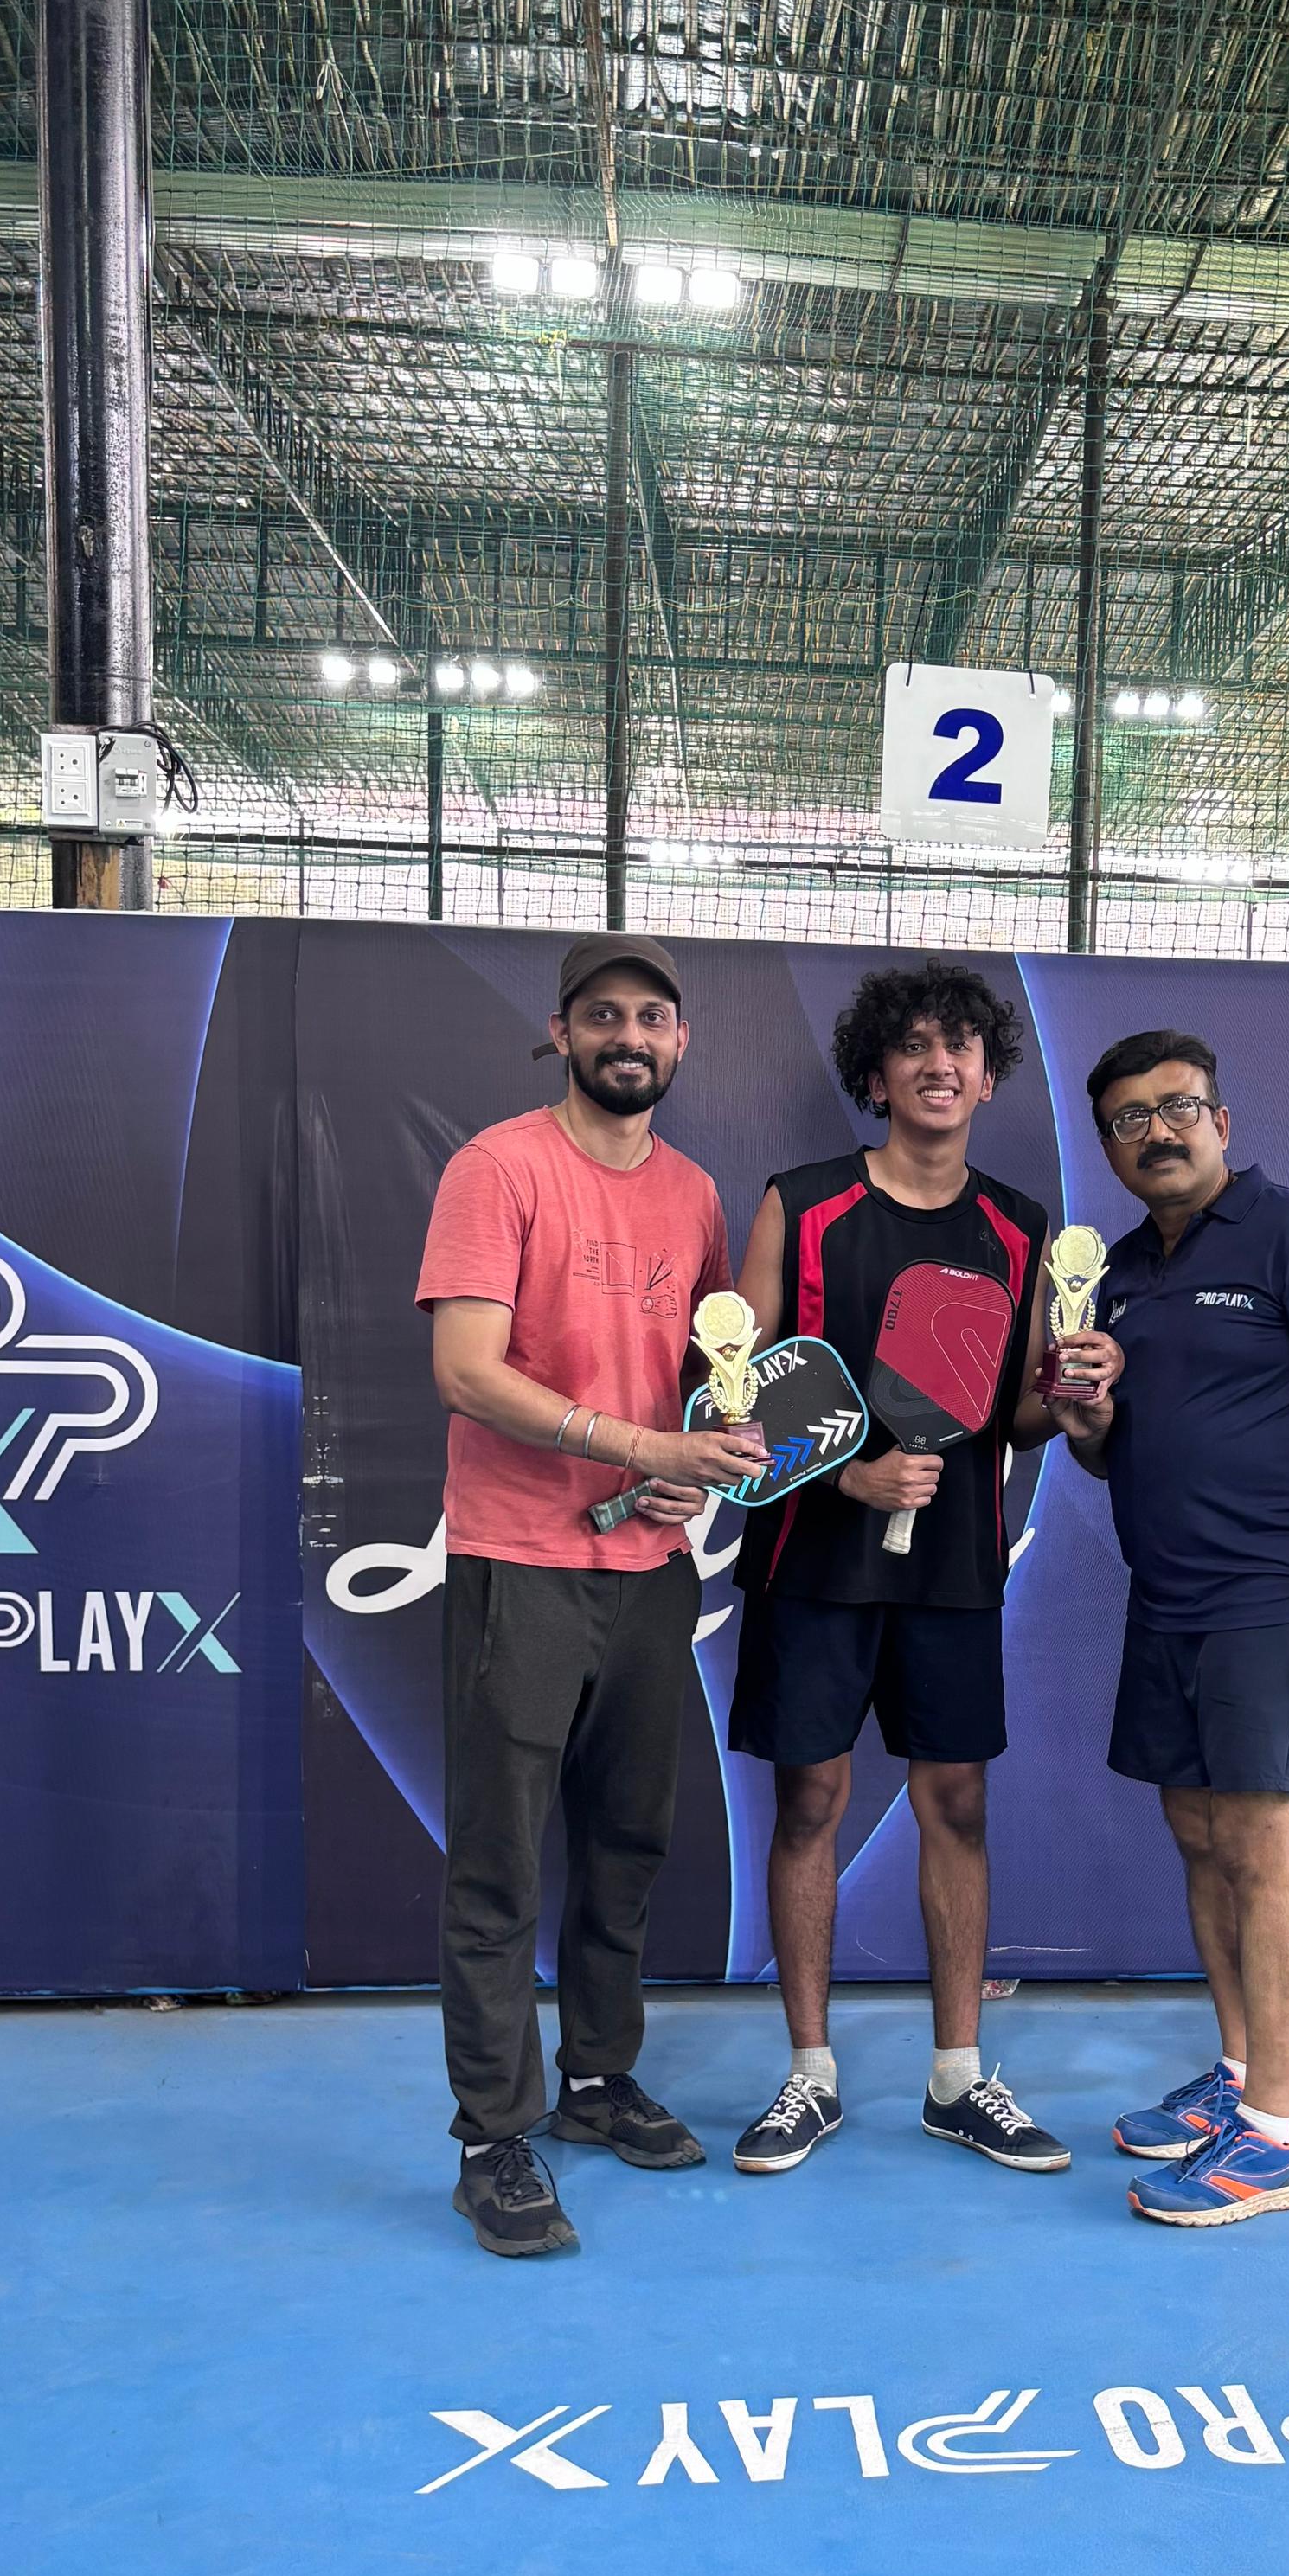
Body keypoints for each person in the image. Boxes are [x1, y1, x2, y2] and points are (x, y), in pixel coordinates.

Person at [418, 932, 765, 2259]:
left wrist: (693, 1472)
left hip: (647, 1576)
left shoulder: (694, 1194)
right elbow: (467, 1371)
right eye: (604, 1014)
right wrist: (640, 1449)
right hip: (520, 1563)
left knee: (627, 1846)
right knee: (500, 1865)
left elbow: (707, 1381)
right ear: (562, 1034)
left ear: (681, 1043)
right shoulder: (497, 1167)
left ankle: (599, 2078)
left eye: (653, 1017)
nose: (631, 1036)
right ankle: (492, 2139)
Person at [726, 960, 1090, 2177]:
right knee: (810, 1804)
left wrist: (1068, 1400)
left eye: (961, 1047)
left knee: (959, 1806)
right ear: (877, 1077)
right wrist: (850, 1479)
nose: (940, 1064)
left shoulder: (1022, 1227)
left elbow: (1015, 1411)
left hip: (953, 1568)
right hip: (812, 1559)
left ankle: (958, 2078)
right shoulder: (803, 1205)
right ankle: (810, 2074)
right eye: (915, 1046)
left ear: (988, 1077)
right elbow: (739, 1399)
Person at [1048, 1029, 1289, 2226]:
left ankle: (1276, 2137)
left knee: (1259, 1846)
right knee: (1200, 1836)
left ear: (1220, 1119)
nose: (1157, 1132)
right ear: (1110, 1147)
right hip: (1165, 1599)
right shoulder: (1118, 1276)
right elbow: (1110, 1459)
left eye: (1178, 1107)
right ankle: (1240, 2072)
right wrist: (1089, 1421)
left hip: (1272, 1597)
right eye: (1129, 1120)